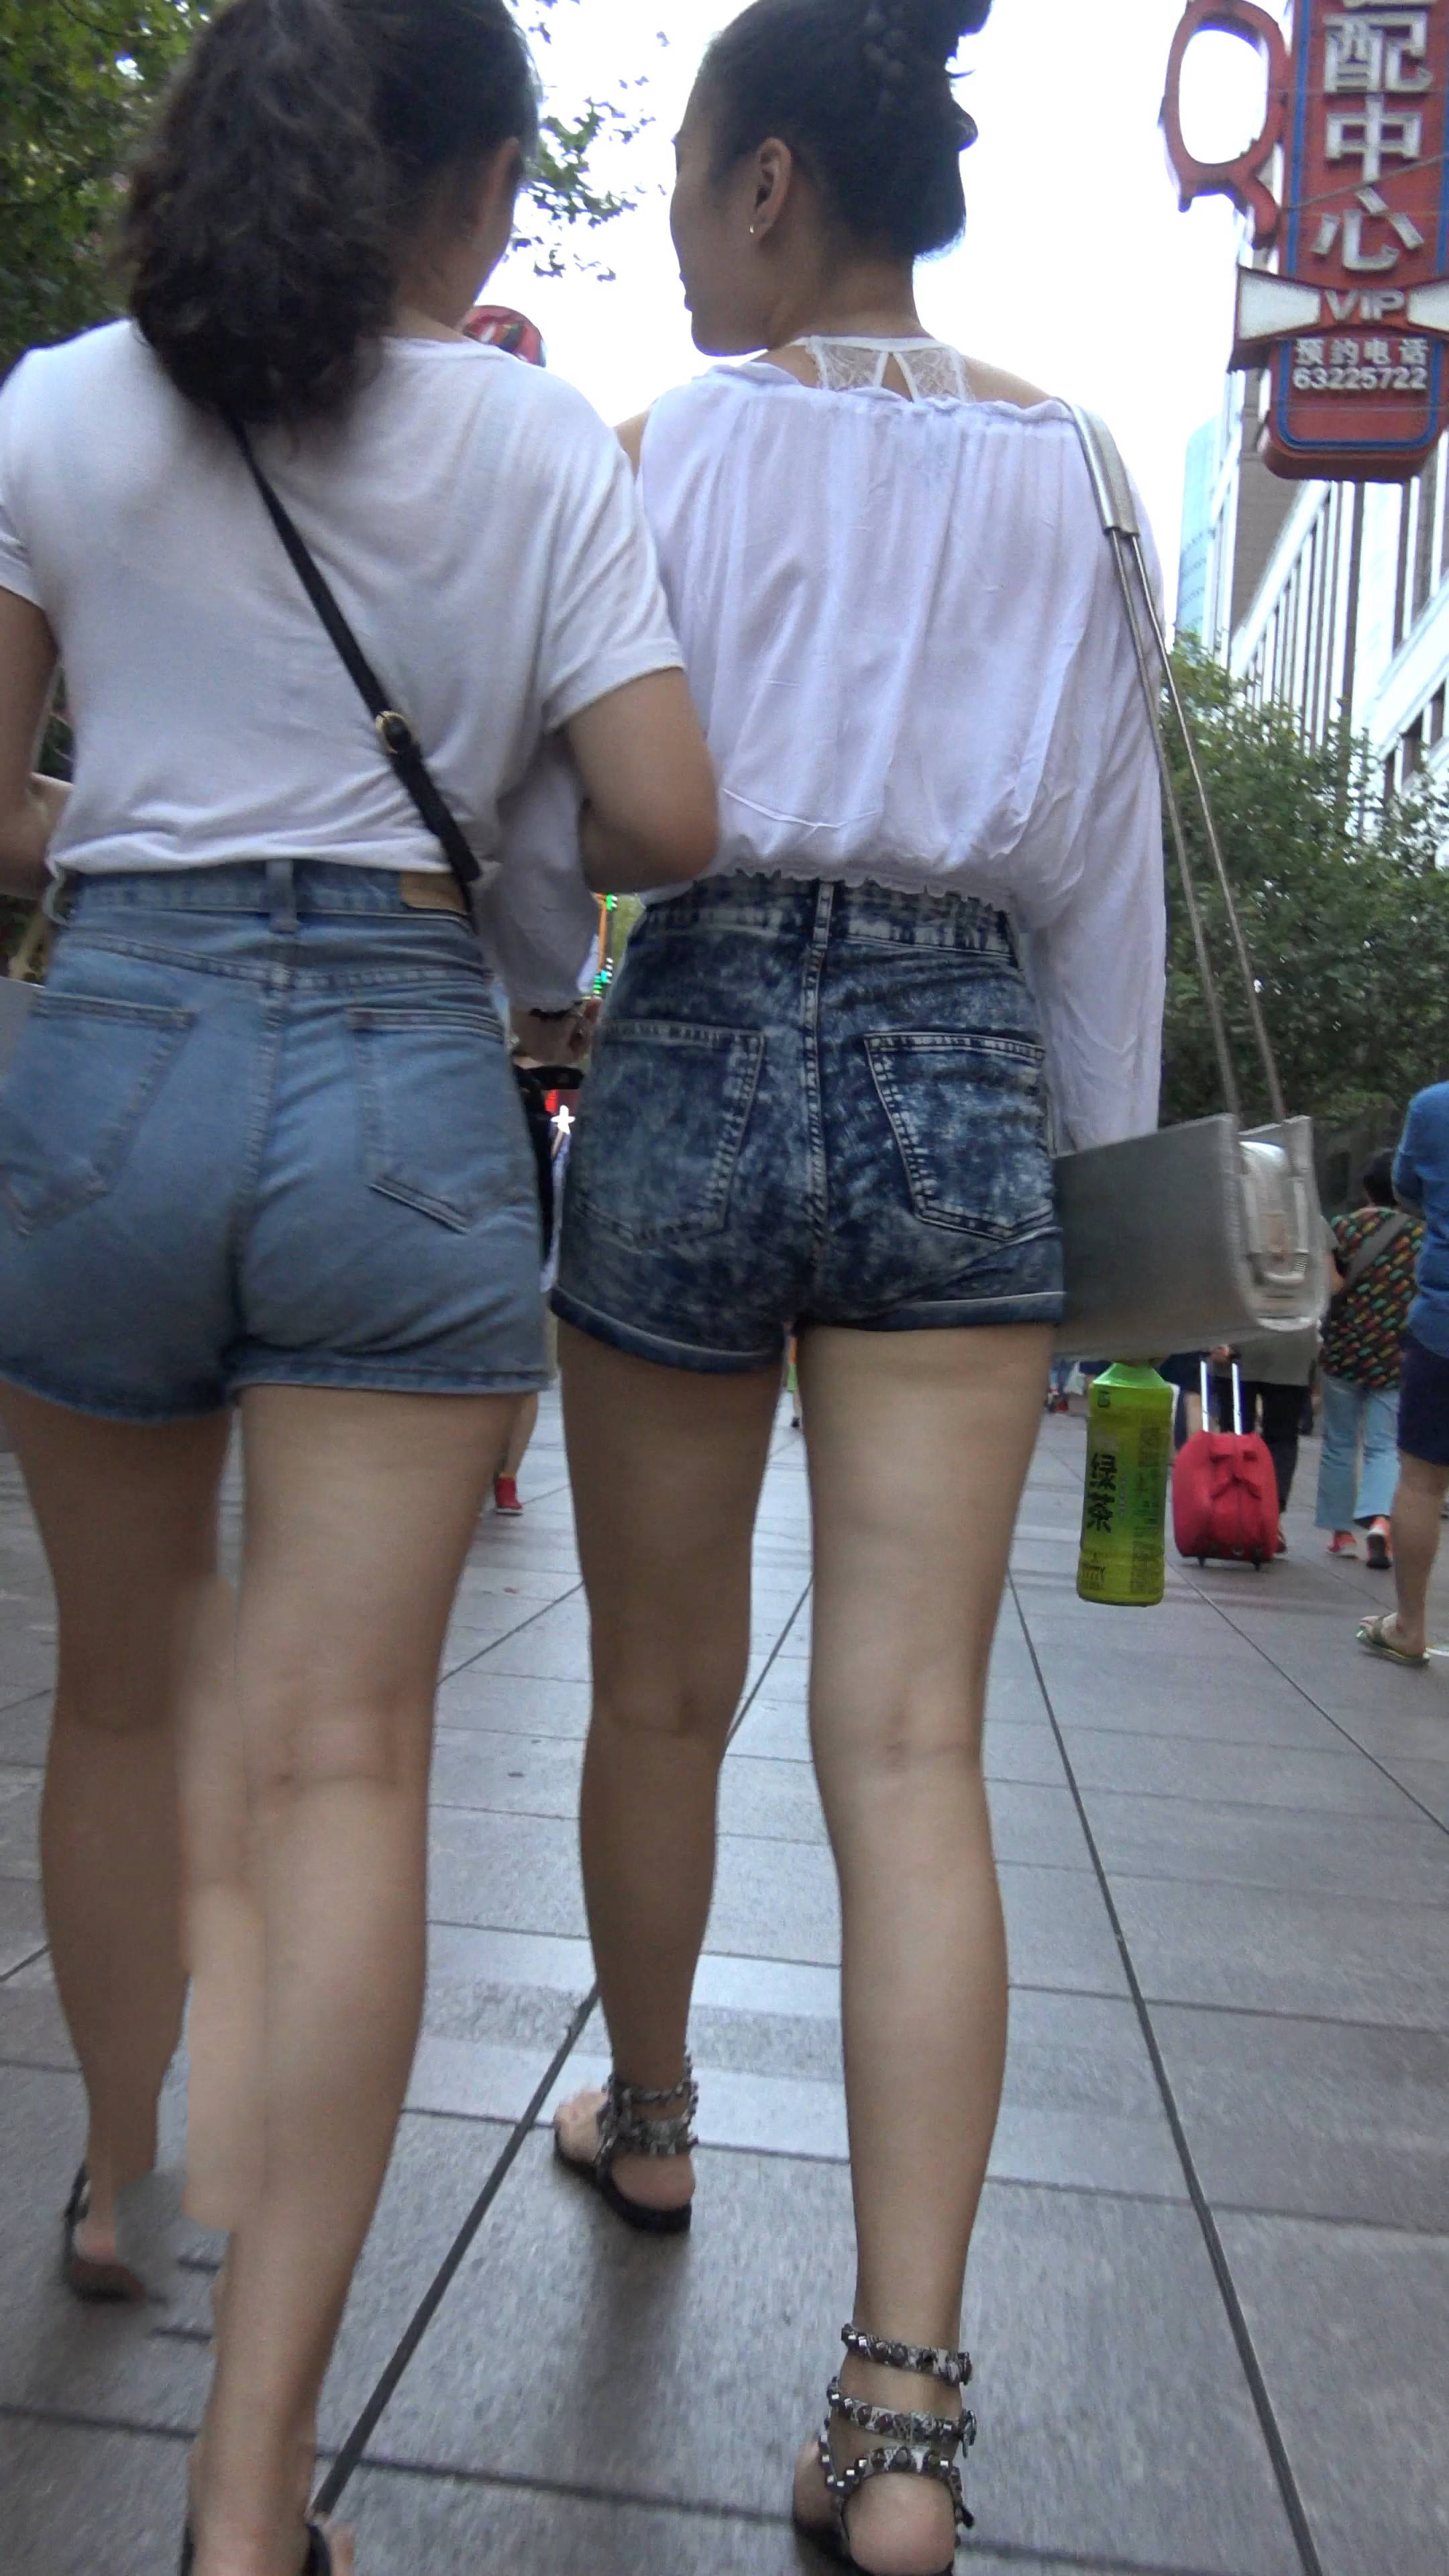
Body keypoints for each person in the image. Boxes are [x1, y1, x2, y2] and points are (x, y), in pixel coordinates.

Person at [0, 3, 715, 2570]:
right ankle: (249, 2487)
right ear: (477, 182)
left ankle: (119, 2179)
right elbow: (664, 809)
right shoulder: (530, 444)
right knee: (340, 1769)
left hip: (110, 1051)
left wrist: (147, 817)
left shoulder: (59, 410)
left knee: (116, 1694)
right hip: (406, 1089)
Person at [548, 6, 1165, 2571]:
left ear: (772, 179)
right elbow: (1103, 880)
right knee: (912, 1747)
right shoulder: (1083, 469)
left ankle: (652, 2116)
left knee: (659, 1689)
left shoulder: (656, 450)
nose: (684, 243)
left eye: (688, 188)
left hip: (691, 1029)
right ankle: (902, 2431)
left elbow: (561, 814)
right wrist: (1092, 1202)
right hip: (960, 1065)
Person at [1359, 1081, 1449, 1664]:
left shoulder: (1434, 1107)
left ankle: (1409, 1628)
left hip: (1444, 1324)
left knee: (1421, 1482)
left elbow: (1406, 1190)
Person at [1316, 1148, 1422, 1566]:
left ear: (1366, 1188)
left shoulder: (1342, 1228)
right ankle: (1380, 1522)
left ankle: (1341, 1534)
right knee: (1384, 1446)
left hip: (1344, 1349)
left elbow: (1329, 1285)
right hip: (1395, 1354)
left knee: (1339, 1443)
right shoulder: (1421, 1236)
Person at [1210, 1327, 1319, 1546]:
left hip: (1236, 1339)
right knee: (1282, 1439)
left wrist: (1212, 1338)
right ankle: (1271, 1519)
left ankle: (1236, 1514)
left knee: (1235, 1439)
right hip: (1292, 1345)